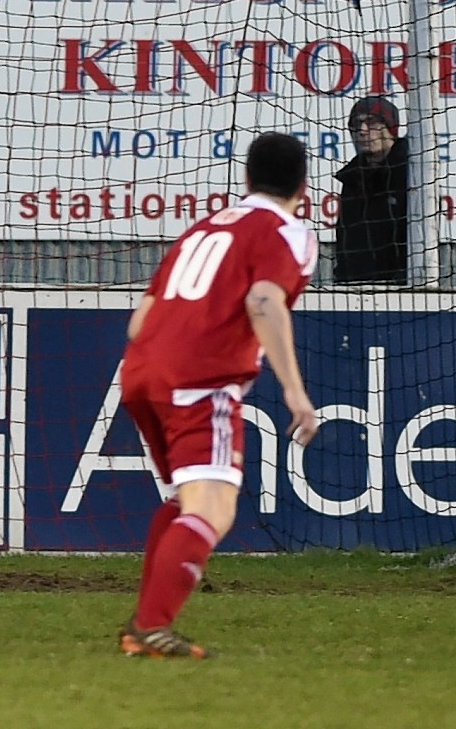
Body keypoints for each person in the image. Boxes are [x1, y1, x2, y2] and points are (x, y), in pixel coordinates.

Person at [118, 132, 322, 658]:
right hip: (200, 380)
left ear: (246, 179)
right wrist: (296, 393)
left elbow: (141, 317)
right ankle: (151, 627)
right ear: (303, 186)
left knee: (185, 500)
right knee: (214, 509)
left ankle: (142, 624)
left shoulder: (202, 229)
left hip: (141, 370)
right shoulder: (288, 232)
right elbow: (263, 299)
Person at [333, 96, 410, 284]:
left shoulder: (412, 174)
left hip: (402, 291)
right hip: (352, 288)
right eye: (356, 125)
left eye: (372, 123)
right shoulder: (352, 179)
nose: (363, 131)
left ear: (391, 128)